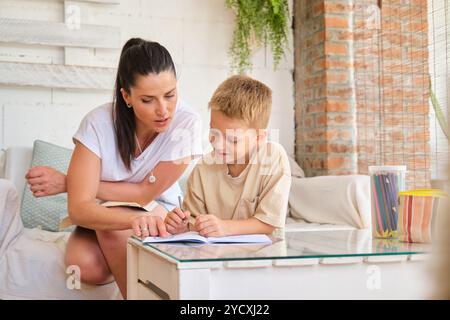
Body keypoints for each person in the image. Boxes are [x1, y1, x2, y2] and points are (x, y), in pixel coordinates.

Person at [25, 38, 203, 298]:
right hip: (105, 214)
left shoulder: (187, 124)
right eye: (147, 100)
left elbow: (144, 194)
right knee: (83, 266)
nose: (163, 110)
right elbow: (79, 207)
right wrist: (133, 220)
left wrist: (68, 182)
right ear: (126, 96)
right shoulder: (98, 124)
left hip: (159, 208)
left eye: (170, 95)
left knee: (111, 231)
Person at [165, 75, 291, 237]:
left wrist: (225, 227)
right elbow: (193, 222)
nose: (217, 144)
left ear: (259, 138)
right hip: (215, 257)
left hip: (262, 257)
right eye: (213, 132)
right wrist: (182, 226)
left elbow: (269, 223)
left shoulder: (273, 158)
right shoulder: (203, 168)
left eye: (233, 139)